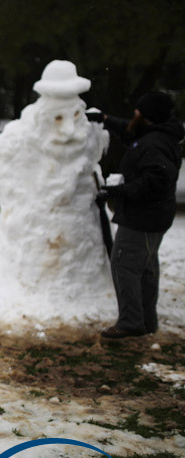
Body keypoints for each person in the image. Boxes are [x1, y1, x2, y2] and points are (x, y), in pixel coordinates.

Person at [90, 91, 184, 338]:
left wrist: (118, 192)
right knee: (145, 268)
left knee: (124, 265)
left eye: (138, 112)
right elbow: (131, 130)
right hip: (154, 216)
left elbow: (156, 182)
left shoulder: (153, 144)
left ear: (148, 117)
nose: (134, 115)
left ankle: (131, 322)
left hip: (143, 218)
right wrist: (106, 118)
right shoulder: (158, 135)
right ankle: (146, 321)